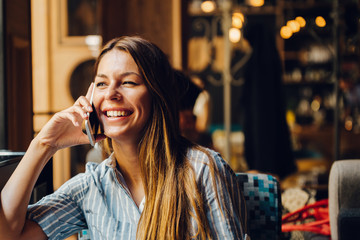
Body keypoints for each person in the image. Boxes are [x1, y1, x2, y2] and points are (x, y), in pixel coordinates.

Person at [0, 36, 246, 240]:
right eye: (102, 84)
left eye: (128, 82)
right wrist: (44, 144)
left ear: (157, 96)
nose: (111, 94)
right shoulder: (91, 187)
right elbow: (7, 234)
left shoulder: (202, 170)